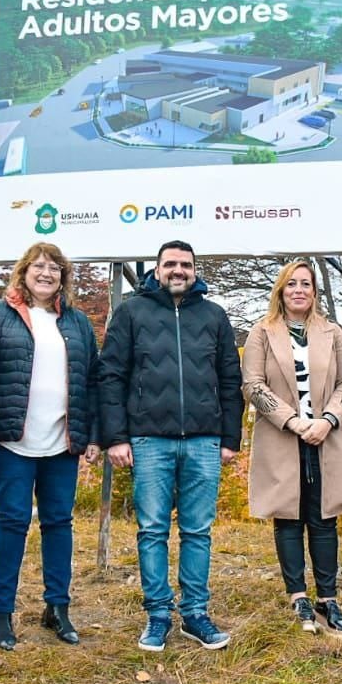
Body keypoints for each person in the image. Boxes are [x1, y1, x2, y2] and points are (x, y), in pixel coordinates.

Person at [99, 240, 243, 652]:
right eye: (170, 264)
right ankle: (158, 615)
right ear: (157, 270)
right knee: (152, 531)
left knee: (198, 531)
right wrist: (116, 437)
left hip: (204, 440)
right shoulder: (132, 312)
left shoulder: (214, 315)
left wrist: (229, 438)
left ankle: (195, 613)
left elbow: (230, 381)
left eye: (186, 264)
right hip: (148, 440)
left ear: (195, 270)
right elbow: (110, 376)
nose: (178, 270)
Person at [0, 242, 100, 651]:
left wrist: (94, 434)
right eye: (39, 267)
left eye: (55, 268)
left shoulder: (78, 323)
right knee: (11, 523)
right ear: (24, 272)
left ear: (63, 277)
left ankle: (57, 608)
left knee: (58, 524)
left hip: (61, 444)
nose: (46, 274)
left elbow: (92, 382)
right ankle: (0, 612)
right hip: (12, 442)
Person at [243, 261, 342, 637]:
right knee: (289, 518)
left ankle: (328, 599)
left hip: (325, 437)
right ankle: (298, 596)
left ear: (314, 291)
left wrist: (326, 420)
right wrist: (292, 420)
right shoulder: (262, 332)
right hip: (282, 436)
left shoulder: (333, 333)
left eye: (305, 284)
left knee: (324, 519)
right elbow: (253, 385)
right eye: (291, 284)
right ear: (281, 290)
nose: (298, 290)